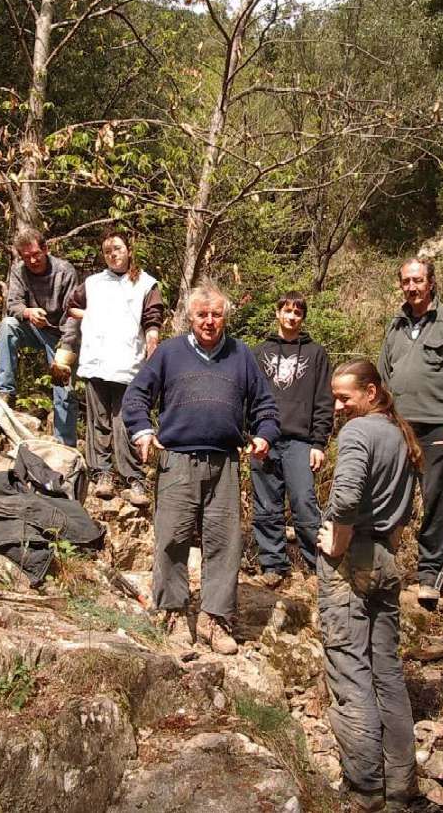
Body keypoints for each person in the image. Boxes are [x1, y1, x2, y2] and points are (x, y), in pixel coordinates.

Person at [122, 281, 280, 655]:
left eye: (216, 314)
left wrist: (264, 435)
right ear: (189, 318)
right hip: (176, 460)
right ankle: (174, 614)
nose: (209, 321)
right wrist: (143, 431)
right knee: (171, 539)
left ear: (225, 317)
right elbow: (137, 396)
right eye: (201, 315)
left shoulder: (241, 355)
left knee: (225, 544)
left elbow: (265, 407)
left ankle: (214, 618)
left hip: (224, 462)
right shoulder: (169, 353)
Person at [317, 358, 422, 813]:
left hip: (352, 560)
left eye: (345, 397)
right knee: (388, 674)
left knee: (350, 672)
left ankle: (366, 790)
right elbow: (406, 506)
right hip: (387, 560)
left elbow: (345, 497)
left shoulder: (359, 432)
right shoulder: (401, 433)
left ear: (372, 393)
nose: (338, 406)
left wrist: (337, 544)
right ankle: (402, 787)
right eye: (335, 398)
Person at [378, 256, 443, 609]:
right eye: (406, 281)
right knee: (391, 499)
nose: (412, 286)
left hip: (438, 427)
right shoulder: (396, 325)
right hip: (399, 427)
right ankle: (382, 568)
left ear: (431, 283)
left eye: (418, 280)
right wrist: (380, 418)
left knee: (435, 500)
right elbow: (382, 376)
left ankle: (429, 576)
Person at [53, 231, 164, 504]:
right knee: (98, 421)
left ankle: (134, 478)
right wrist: (93, 317)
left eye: (117, 248)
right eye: (107, 251)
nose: (113, 254)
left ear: (129, 250)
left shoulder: (145, 283)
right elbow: (72, 308)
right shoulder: (93, 283)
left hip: (129, 363)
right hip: (97, 360)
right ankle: (101, 474)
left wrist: (152, 342)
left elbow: (153, 318)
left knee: (126, 422)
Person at [251, 290, 333, 584]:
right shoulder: (258, 353)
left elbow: (324, 400)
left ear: (302, 317)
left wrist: (319, 443)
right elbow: (249, 396)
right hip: (264, 440)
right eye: (287, 311)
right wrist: (252, 434)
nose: (292, 317)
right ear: (277, 313)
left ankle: (318, 566)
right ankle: (273, 566)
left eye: (297, 313)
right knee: (266, 505)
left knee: (304, 502)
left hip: (301, 441)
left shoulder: (316, 354)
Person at [0, 228, 78, 447]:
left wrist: (67, 347)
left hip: (62, 336)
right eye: (26, 257)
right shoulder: (19, 271)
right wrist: (28, 312)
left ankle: (65, 445)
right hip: (33, 329)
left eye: (36, 255)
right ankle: (5, 391)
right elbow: (13, 304)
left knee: (64, 389)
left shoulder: (65, 271)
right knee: (8, 325)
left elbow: (74, 313)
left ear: (45, 249)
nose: (32, 260)